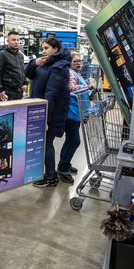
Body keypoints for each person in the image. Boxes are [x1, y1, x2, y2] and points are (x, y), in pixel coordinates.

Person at [25, 37, 71, 187]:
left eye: (46, 48)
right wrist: (34, 63)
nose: (43, 51)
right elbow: (29, 75)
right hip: (39, 110)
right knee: (44, 144)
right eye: (42, 48)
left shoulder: (59, 67)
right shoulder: (45, 63)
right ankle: (48, 174)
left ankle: (50, 177)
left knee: (47, 144)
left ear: (55, 49)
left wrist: (45, 118)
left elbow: (51, 95)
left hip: (50, 114)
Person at [57, 52, 90, 184]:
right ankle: (63, 168)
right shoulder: (70, 73)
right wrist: (87, 86)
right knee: (74, 141)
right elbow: (70, 89)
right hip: (70, 113)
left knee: (70, 141)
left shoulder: (76, 73)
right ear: (69, 62)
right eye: (75, 61)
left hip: (76, 113)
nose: (78, 63)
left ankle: (64, 164)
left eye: (80, 61)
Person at [0, 31, 27, 101]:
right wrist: (0, 89)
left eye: (18, 40)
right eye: (13, 40)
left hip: (19, 91)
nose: (16, 42)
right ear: (7, 41)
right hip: (7, 91)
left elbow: (22, 71)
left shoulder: (20, 55)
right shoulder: (2, 54)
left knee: (19, 111)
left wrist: (25, 82)